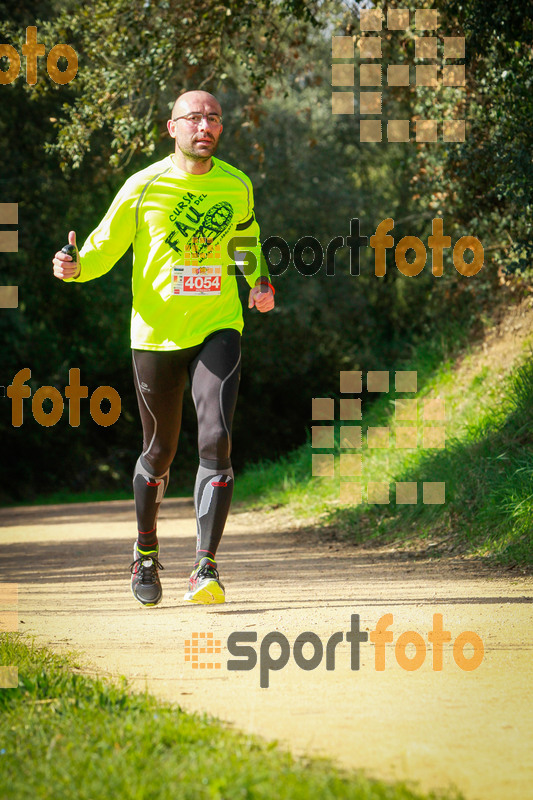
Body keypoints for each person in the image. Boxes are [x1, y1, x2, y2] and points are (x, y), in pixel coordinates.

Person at [52, 90, 275, 607]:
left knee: (217, 439)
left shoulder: (236, 184)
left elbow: (246, 241)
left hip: (218, 323)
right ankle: (146, 549)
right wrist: (74, 265)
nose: (205, 125)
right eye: (193, 118)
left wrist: (259, 281)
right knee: (160, 450)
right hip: (155, 335)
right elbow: (104, 246)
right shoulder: (144, 185)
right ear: (170, 127)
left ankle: (205, 567)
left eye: (213, 118)